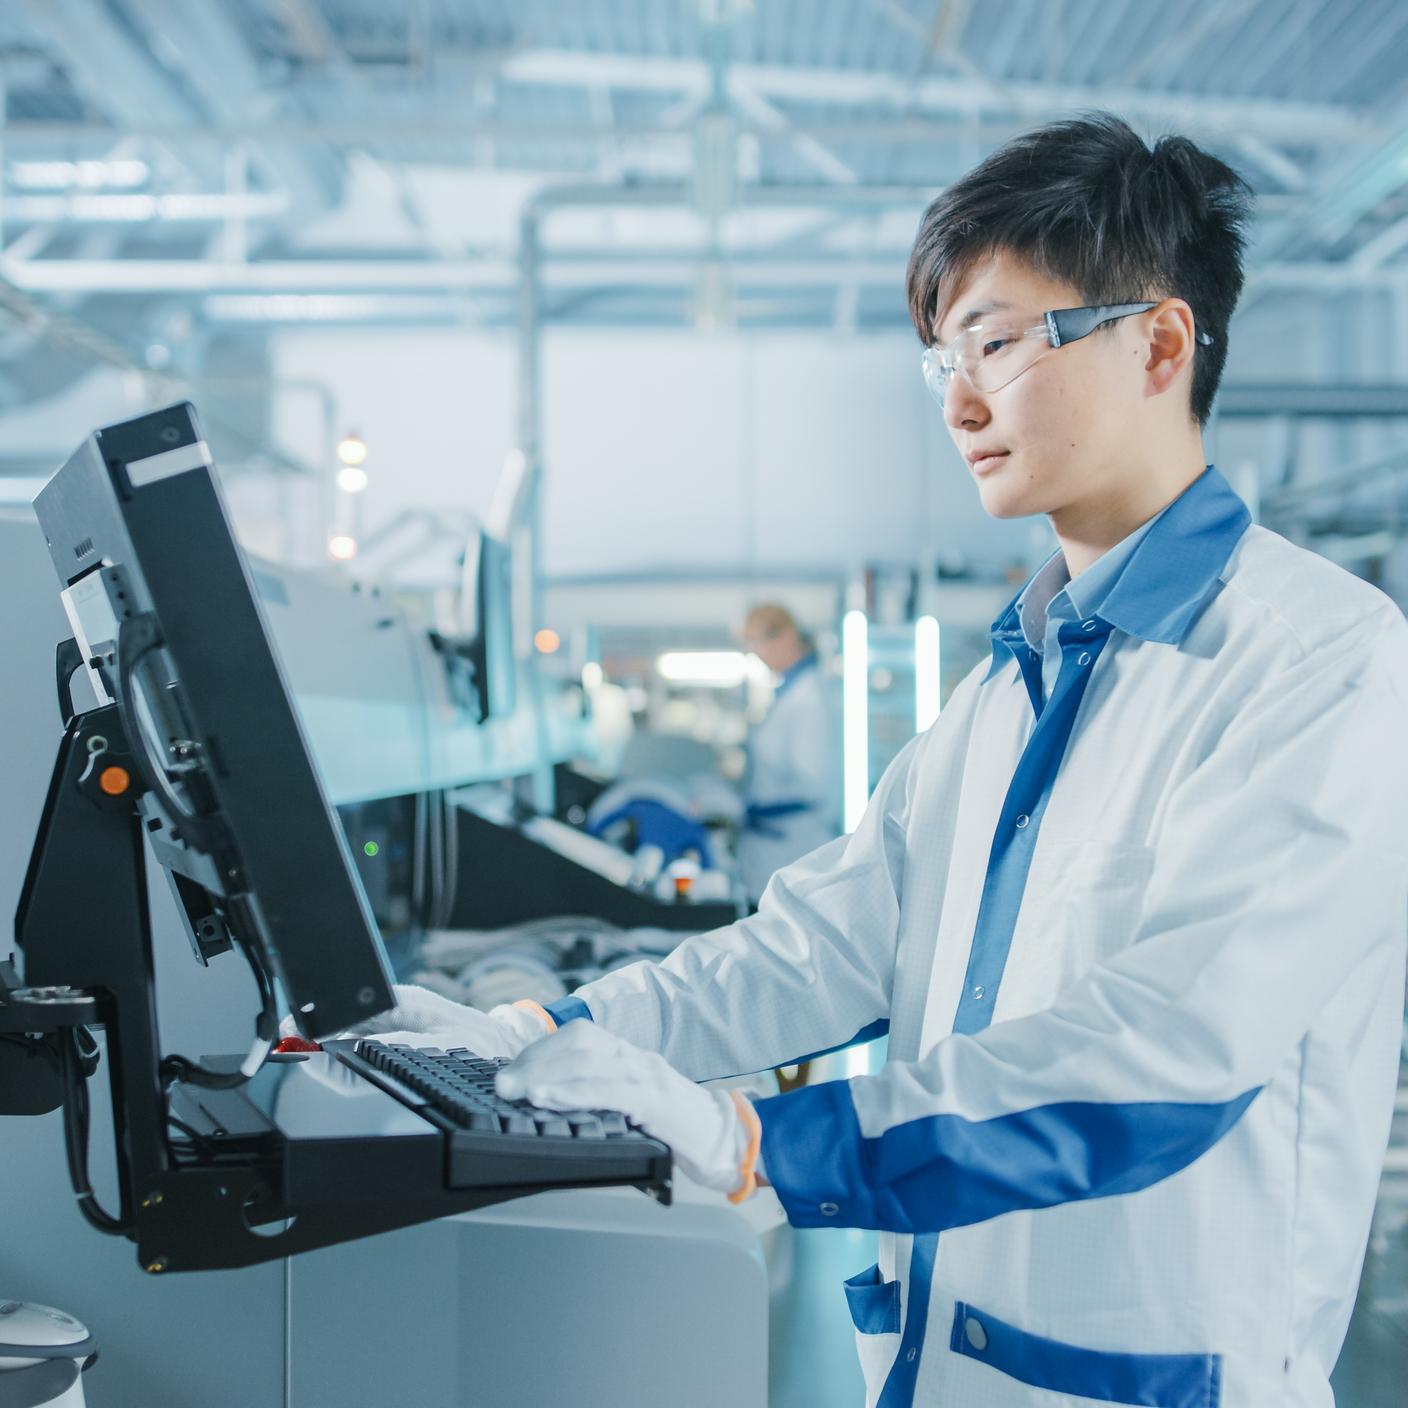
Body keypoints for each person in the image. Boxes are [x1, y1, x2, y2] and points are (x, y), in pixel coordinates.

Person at [369, 115, 1408, 1408]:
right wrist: (536, 1035)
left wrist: (758, 1141)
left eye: (998, 343)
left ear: (1157, 342)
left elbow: (1169, 1058)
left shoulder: (1325, 664)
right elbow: (808, 954)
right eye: (941, 360)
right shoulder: (1004, 693)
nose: (961, 401)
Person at [736, 602, 842, 903]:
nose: (756, 652)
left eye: (758, 642)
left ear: (786, 635)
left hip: (794, 845)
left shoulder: (810, 699)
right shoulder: (790, 693)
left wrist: (747, 809)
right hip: (774, 849)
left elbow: (814, 783)